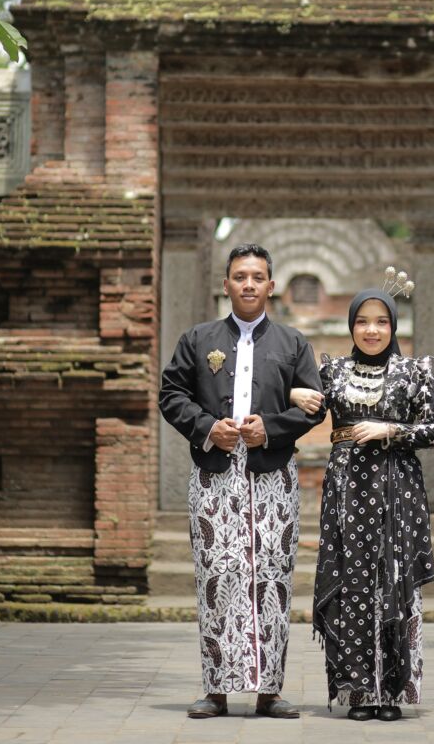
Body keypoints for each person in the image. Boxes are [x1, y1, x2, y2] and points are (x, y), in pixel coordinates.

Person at [159, 243, 324, 720]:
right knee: (217, 574)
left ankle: (269, 691)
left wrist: (269, 428)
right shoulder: (198, 339)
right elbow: (171, 394)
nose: (248, 284)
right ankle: (216, 690)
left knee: (271, 576)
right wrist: (208, 427)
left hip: (272, 477)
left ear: (271, 285)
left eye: (256, 277)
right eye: (239, 276)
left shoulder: (292, 344)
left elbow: (315, 406)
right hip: (214, 476)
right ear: (226, 284)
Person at [291, 284, 434, 721]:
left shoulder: (414, 371)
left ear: (393, 325)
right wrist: (289, 394)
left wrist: (390, 430)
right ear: (351, 326)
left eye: (381, 321)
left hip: (397, 487)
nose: (371, 330)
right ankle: (359, 692)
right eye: (362, 321)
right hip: (347, 489)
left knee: (392, 581)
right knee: (352, 583)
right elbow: (305, 412)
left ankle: (391, 692)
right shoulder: (333, 371)